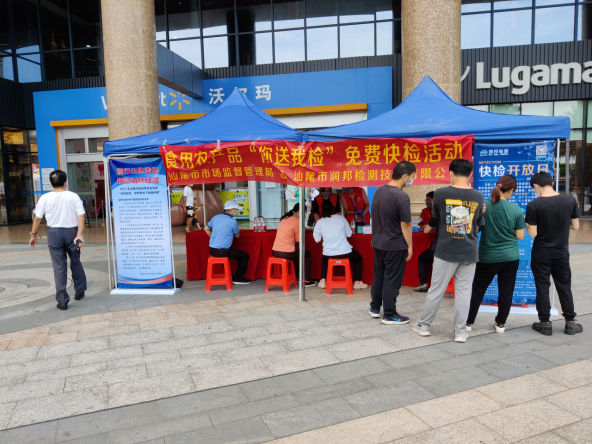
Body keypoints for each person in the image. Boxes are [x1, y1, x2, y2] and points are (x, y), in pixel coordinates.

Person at [412, 159, 485, 343]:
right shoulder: (478, 196)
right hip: (469, 251)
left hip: (446, 250)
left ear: (451, 172)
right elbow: (477, 228)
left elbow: (437, 219)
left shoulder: (440, 193)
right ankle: (460, 332)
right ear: (470, 174)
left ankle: (424, 326)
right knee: (463, 293)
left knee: (436, 289)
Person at [525, 171, 582, 336]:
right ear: (551, 183)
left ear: (536, 186)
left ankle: (544, 323)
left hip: (541, 254)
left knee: (543, 287)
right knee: (564, 285)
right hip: (561, 253)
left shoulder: (534, 205)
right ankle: (570, 322)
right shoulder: (569, 200)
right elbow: (576, 226)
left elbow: (533, 233)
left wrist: (528, 223)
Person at [466, 175, 525, 333]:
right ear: (511, 190)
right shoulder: (516, 209)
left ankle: (468, 322)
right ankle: (500, 324)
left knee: (478, 289)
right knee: (506, 291)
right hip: (510, 257)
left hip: (487, 256)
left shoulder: (483, 206)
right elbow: (520, 236)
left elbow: (475, 231)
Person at [29, 170, 86, 310]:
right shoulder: (73, 196)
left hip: (54, 234)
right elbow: (81, 216)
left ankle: (62, 300)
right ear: (65, 183)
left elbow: (37, 218)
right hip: (72, 233)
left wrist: (33, 235)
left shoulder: (45, 198)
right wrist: (79, 235)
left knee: (59, 266)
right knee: (75, 260)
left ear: (51, 184)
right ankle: (79, 291)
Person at [369, 161, 416, 325]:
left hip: (378, 242)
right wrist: (410, 245)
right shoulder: (401, 196)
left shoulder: (379, 190)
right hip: (394, 244)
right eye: (412, 177)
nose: (411, 180)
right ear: (405, 176)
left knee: (379, 275)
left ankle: (375, 308)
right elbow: (406, 224)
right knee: (392, 279)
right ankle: (389, 314)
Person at [313, 200, 367, 290]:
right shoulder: (341, 218)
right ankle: (357, 282)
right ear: (333, 209)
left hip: (328, 253)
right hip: (345, 251)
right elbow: (349, 234)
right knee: (358, 258)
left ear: (322, 210)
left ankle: (322, 281)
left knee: (324, 260)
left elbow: (317, 240)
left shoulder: (319, 222)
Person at [205, 200, 252, 284]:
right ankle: (238, 279)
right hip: (224, 251)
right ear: (231, 210)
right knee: (245, 256)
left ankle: (230, 276)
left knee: (225, 255)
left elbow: (206, 229)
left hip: (212, 249)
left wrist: (214, 238)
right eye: (236, 209)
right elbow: (237, 235)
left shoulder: (215, 217)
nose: (237, 211)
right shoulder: (232, 221)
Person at [272, 203, 317, 287]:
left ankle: (299, 276)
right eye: (305, 213)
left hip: (275, 251)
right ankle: (306, 280)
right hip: (285, 251)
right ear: (299, 211)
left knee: (293, 257)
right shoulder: (298, 221)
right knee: (306, 254)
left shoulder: (284, 218)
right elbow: (298, 239)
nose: (305, 215)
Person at [414, 191, 436, 292]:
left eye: (429, 200)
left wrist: (429, 228)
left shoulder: (438, 213)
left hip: (437, 245)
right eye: (426, 200)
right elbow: (421, 222)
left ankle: (423, 282)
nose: (427, 202)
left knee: (422, 258)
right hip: (436, 242)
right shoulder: (425, 211)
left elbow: (427, 229)